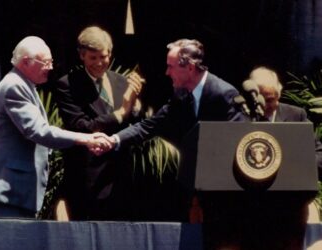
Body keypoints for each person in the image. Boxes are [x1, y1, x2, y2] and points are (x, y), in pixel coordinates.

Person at [96, 39, 244, 221]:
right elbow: (150, 125)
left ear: (189, 68)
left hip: (223, 192)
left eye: (171, 67)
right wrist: (114, 140)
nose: (167, 72)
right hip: (194, 189)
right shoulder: (181, 94)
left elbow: (240, 143)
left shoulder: (224, 94)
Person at [0, 36, 111, 218]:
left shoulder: (25, 85)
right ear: (25, 62)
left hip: (15, 193)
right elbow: (38, 131)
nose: (51, 67)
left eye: (51, 61)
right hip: (6, 192)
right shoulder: (14, 86)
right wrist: (86, 138)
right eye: (45, 62)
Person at [53, 26, 144, 221]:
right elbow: (82, 126)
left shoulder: (121, 81)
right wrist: (120, 113)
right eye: (93, 58)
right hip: (88, 178)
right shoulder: (67, 84)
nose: (99, 63)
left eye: (103, 57)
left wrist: (135, 108)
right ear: (81, 56)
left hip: (120, 176)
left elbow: (135, 124)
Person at [249, 66, 322, 224]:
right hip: (254, 198)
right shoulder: (244, 117)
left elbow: (318, 153)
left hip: (291, 196)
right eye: (262, 100)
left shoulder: (297, 115)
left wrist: (300, 169)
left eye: (270, 99)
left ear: (279, 94)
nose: (266, 105)